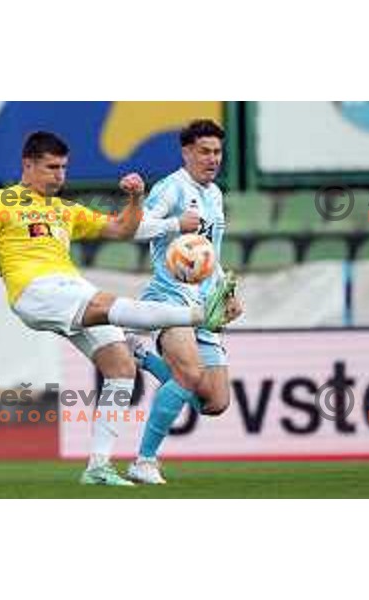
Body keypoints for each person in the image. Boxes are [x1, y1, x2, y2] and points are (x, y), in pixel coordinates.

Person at [0, 130, 236, 486]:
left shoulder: (65, 209)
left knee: (121, 367)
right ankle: (199, 315)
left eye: (63, 167)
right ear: (27, 165)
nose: (60, 175)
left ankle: (98, 467)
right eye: (51, 167)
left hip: (70, 287)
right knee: (106, 303)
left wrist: (136, 198)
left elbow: (123, 228)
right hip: (36, 290)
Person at [126, 119, 244, 484]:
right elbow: (135, 227)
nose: (213, 159)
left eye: (218, 152)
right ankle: (144, 461)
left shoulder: (215, 194)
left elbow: (211, 253)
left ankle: (142, 356)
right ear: (187, 152)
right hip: (170, 298)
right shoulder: (171, 188)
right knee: (190, 375)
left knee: (215, 402)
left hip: (205, 306)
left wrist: (227, 291)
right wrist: (177, 223)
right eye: (205, 151)